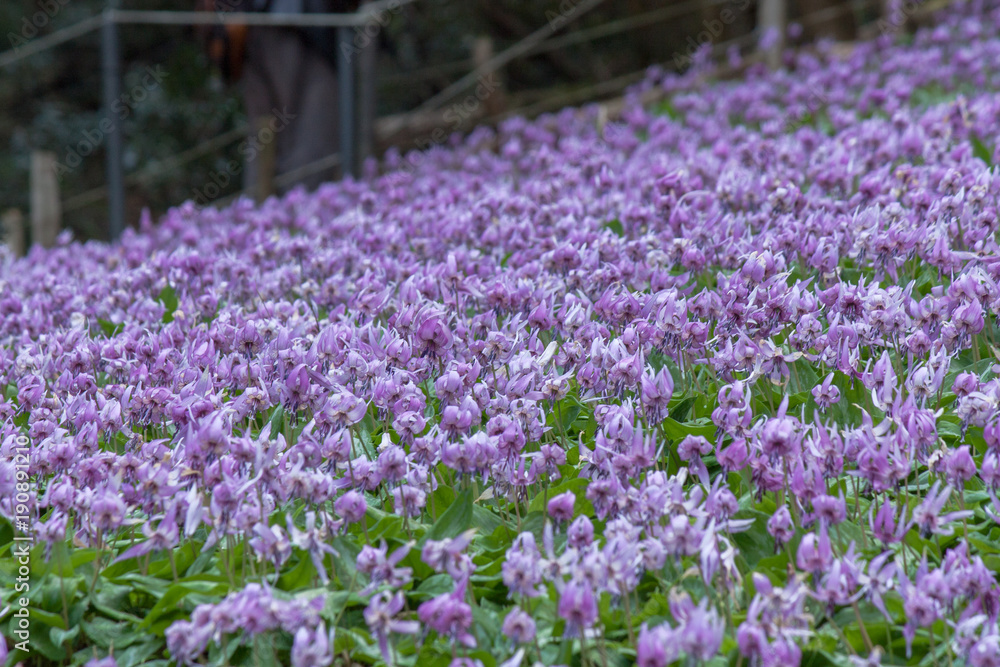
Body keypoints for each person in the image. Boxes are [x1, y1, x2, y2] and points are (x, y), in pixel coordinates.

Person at [199, 0, 356, 198]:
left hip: (266, 23)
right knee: (308, 122)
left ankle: (269, 212)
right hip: (289, 23)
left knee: (273, 128)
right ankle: (291, 210)